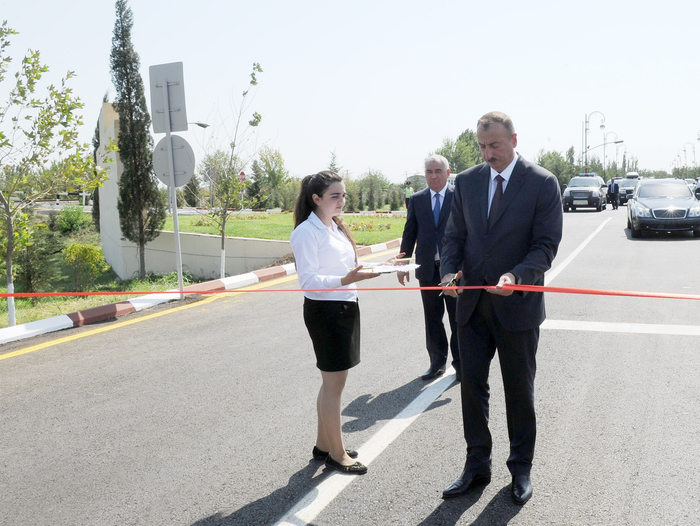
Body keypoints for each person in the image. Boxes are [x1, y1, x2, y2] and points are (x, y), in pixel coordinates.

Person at [439, 112, 563, 505]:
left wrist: (516, 276)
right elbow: (453, 236)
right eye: (481, 146)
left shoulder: (542, 182)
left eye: (494, 145)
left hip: (517, 307)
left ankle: (520, 468)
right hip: (471, 306)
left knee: (518, 392)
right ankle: (476, 466)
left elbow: (545, 245)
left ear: (513, 139)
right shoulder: (467, 181)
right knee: (472, 389)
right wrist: (447, 273)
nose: (487, 153)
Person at [289, 171, 380, 475]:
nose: (342, 201)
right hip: (325, 312)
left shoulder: (335, 227)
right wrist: (345, 279)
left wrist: (383, 267)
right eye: (335, 196)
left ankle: (323, 445)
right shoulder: (307, 232)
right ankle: (337, 455)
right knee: (335, 385)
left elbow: (346, 267)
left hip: (344, 306)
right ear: (316, 199)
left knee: (331, 383)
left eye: (343, 195)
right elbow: (308, 281)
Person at [397, 155, 460, 381]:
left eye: (438, 171)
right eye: (429, 171)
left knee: (457, 318)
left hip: (453, 271)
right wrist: (403, 263)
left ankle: (461, 364)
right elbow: (409, 232)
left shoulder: (459, 196)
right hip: (427, 270)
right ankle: (436, 363)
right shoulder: (417, 199)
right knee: (432, 318)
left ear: (448, 172)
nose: (433, 175)